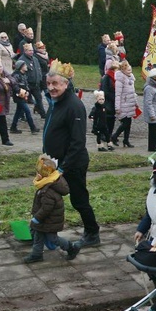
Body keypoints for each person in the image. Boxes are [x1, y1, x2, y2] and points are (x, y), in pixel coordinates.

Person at [43, 59, 101, 248]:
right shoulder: (56, 101)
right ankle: (45, 234)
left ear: (65, 84)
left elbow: (78, 142)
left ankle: (92, 233)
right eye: (49, 83)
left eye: (56, 84)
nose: (51, 88)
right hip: (52, 162)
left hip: (72, 164)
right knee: (46, 198)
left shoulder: (74, 106)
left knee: (79, 200)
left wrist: (62, 168)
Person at [22, 155, 81, 263]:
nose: (36, 175)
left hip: (49, 220)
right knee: (38, 237)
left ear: (45, 175)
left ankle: (71, 248)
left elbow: (46, 208)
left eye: (38, 173)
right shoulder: (47, 184)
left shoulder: (48, 190)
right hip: (44, 220)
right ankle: (36, 255)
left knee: (52, 238)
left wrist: (37, 218)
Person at [111, 60, 137, 148]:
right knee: (125, 123)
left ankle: (126, 140)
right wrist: (117, 107)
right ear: (123, 70)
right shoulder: (120, 79)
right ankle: (115, 136)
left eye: (130, 70)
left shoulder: (131, 78)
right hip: (123, 104)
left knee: (129, 122)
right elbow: (118, 94)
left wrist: (135, 102)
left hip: (130, 103)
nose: (130, 71)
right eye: (128, 70)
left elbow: (133, 92)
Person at [9, 60, 39, 135]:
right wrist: (22, 92)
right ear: (21, 67)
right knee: (27, 111)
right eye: (25, 65)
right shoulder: (16, 75)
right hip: (19, 96)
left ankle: (13, 127)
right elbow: (15, 86)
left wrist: (27, 91)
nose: (26, 67)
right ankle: (32, 128)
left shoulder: (23, 74)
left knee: (18, 111)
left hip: (23, 95)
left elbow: (26, 84)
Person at [18, 43, 46, 120]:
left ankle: (43, 114)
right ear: (25, 51)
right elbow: (20, 72)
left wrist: (39, 78)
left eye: (32, 50)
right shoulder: (22, 60)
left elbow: (38, 70)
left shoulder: (35, 59)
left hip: (35, 84)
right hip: (27, 84)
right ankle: (22, 115)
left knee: (39, 99)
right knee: (23, 100)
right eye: (29, 50)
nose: (31, 52)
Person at [143, 68, 156, 152]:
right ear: (154, 77)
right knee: (155, 131)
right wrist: (152, 115)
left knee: (155, 131)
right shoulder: (149, 88)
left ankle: (154, 147)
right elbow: (148, 103)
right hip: (154, 113)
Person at [100, 61, 120, 142]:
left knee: (111, 119)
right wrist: (114, 97)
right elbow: (105, 91)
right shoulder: (107, 77)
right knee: (107, 119)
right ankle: (104, 134)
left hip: (112, 101)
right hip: (108, 102)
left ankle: (109, 134)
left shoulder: (114, 77)